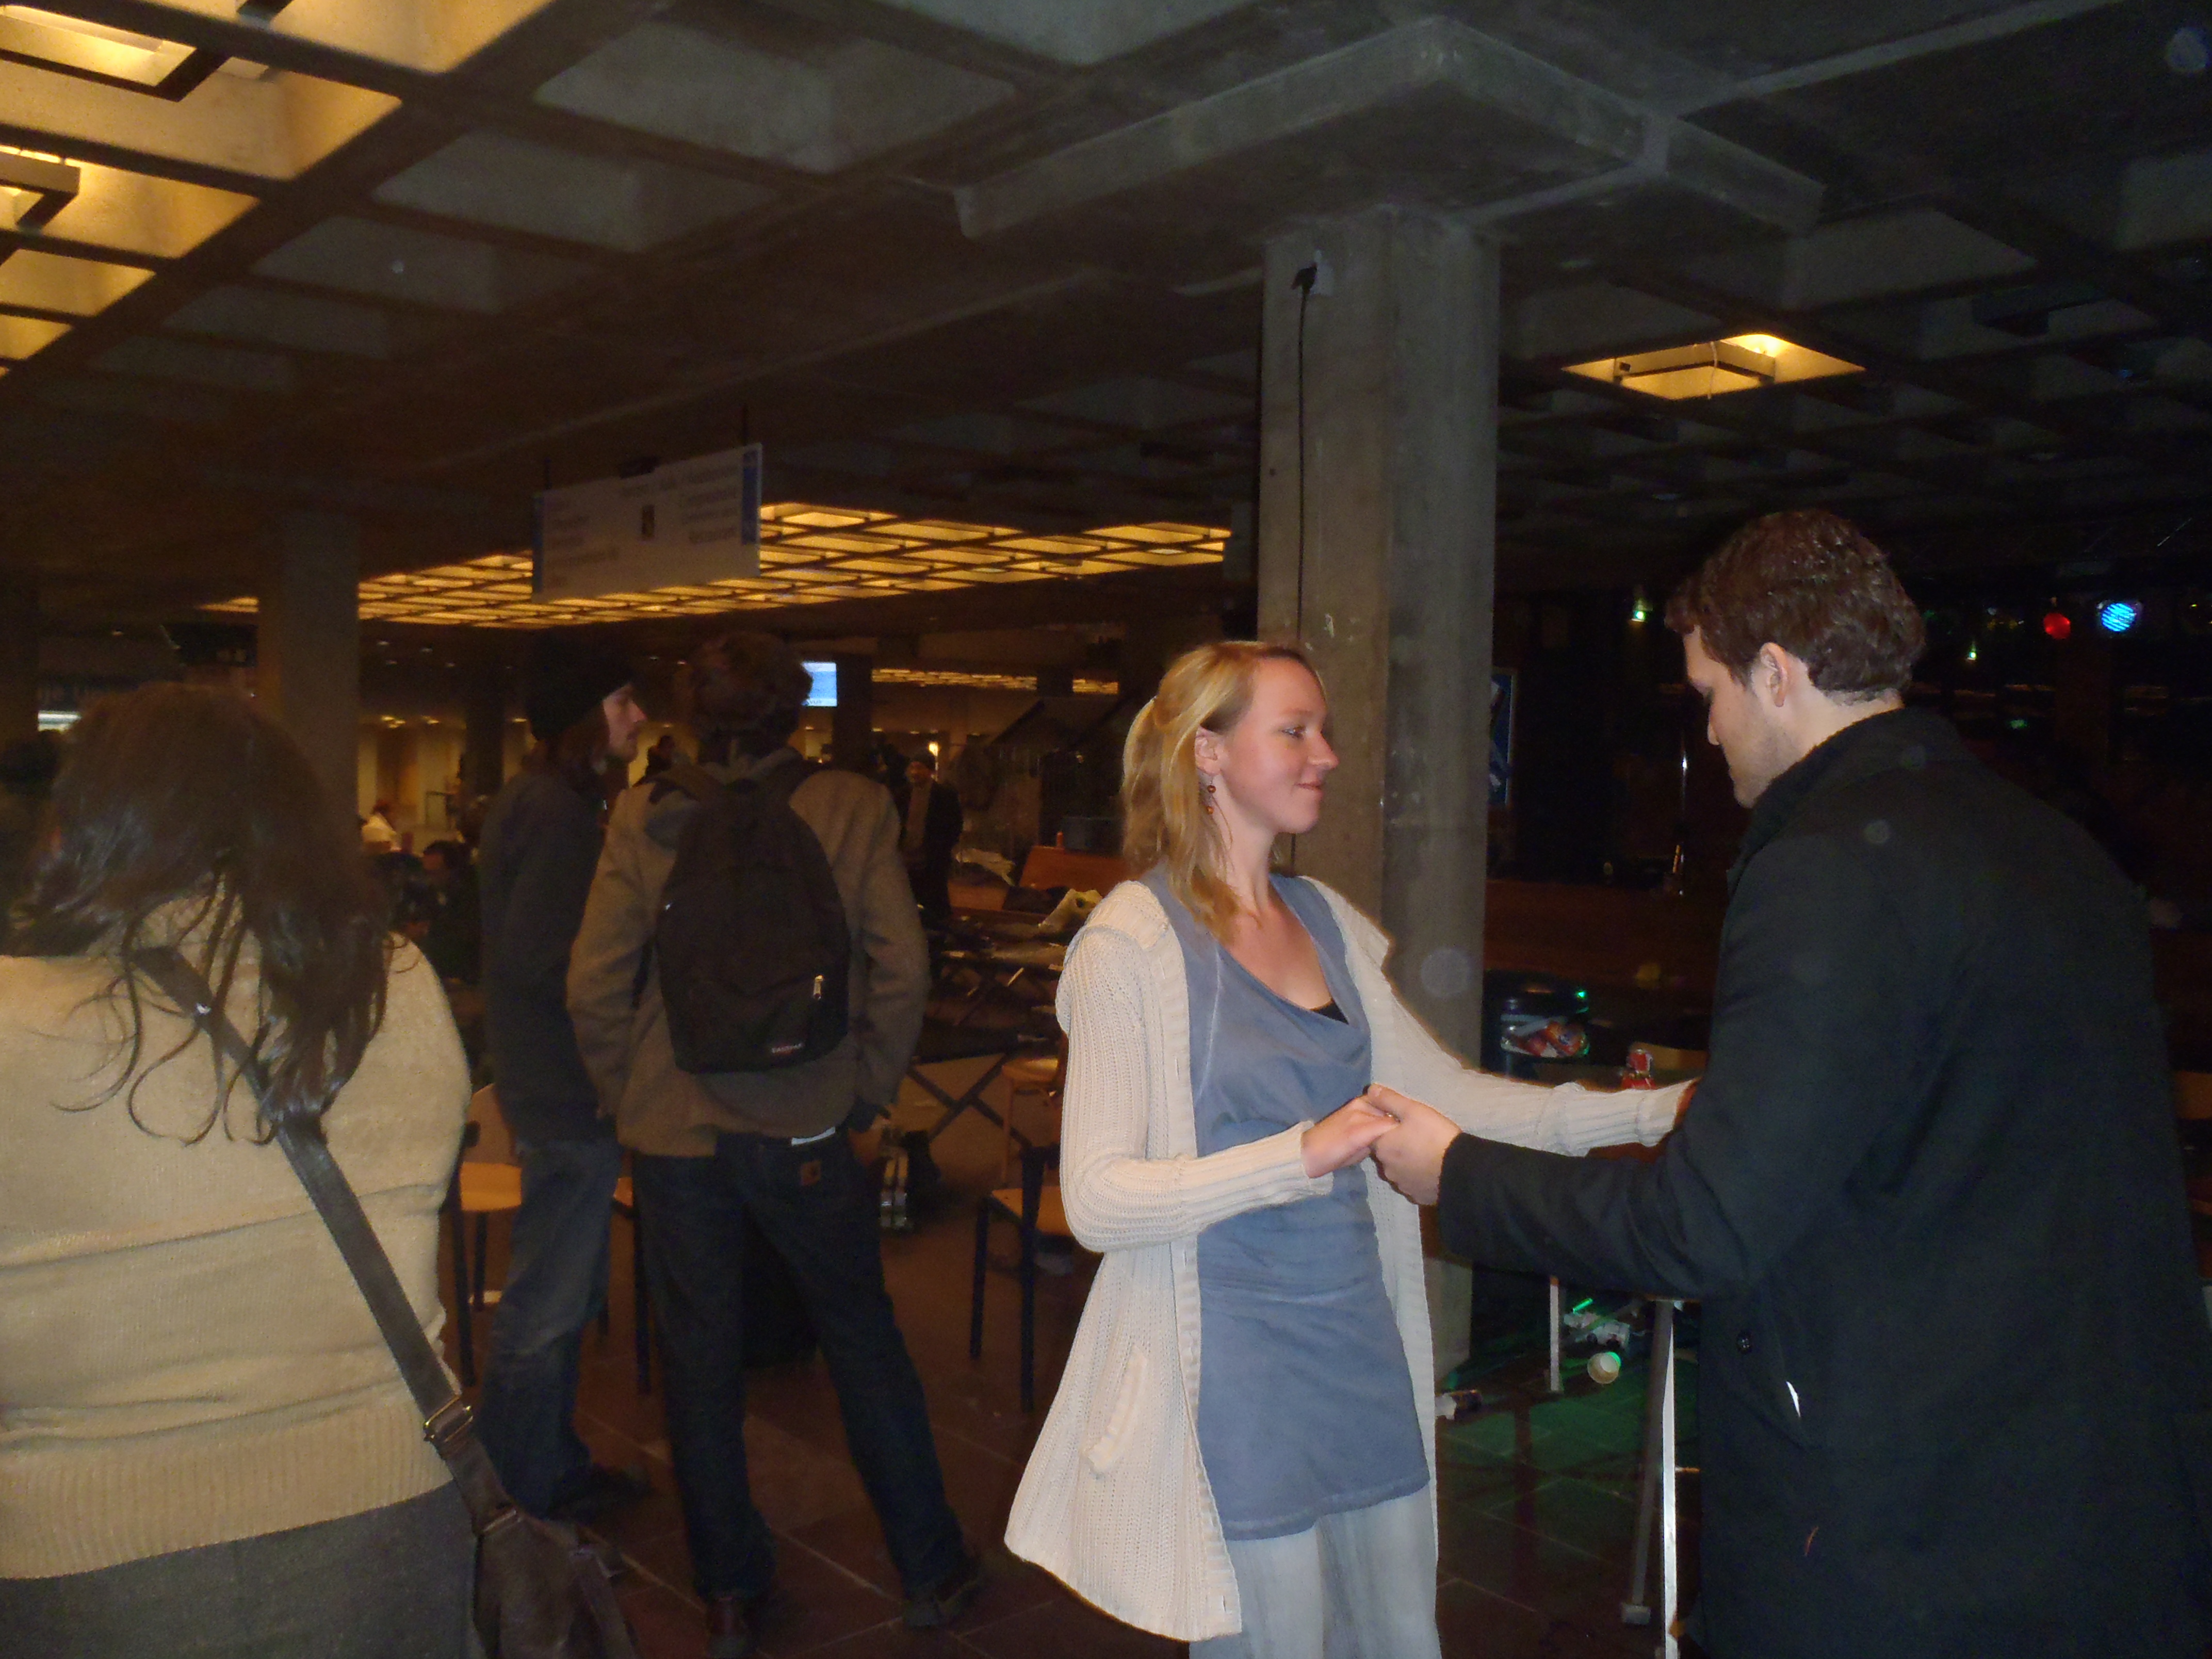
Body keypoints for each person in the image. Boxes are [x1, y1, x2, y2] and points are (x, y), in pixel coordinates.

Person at [1370, 509, 2212, 1659]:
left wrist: (1455, 1174)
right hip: (2090, 1491)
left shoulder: (1827, 867)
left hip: (1910, 1528)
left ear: (1775, 674)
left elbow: (1701, 1228)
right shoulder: (2049, 848)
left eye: (1709, 692)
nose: (1709, 728)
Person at [1003, 641, 1687, 1655]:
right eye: (1294, 731)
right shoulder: (1129, 942)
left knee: (1396, 1634)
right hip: (1232, 1362)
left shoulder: (1320, 918)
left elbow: (1453, 1099)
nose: (1325, 753)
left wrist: (1658, 1113)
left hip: (1361, 1344)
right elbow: (1099, 1200)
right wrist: (1299, 1155)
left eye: (1322, 731)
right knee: (1273, 1637)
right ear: (1208, 753)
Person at [0, 684, 473, 1654]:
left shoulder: (20, 1020)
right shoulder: (394, 984)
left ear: (87, 825)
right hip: (388, 1519)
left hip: (96, 1554)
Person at [567, 629, 974, 1659]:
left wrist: (630, 1096)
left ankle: (729, 1593)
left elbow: (594, 979)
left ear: (691, 715)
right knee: (860, 1335)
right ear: (795, 711)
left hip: (675, 1125)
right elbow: (902, 965)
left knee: (698, 1358)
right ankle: (930, 1567)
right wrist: (865, 1088)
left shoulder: (644, 812)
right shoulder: (851, 806)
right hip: (805, 1114)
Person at [473, 640, 648, 1520]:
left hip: (544, 1077)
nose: (638, 717)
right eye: (621, 702)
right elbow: (547, 959)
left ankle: (545, 1463)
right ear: (584, 717)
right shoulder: (557, 814)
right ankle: (519, 1489)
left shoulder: (536, 800)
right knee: (547, 1301)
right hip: (566, 1084)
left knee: (562, 1292)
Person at [898, 752, 964, 922]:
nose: (915, 772)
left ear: (930, 771)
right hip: (906, 858)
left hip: (932, 858)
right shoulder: (903, 794)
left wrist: (943, 848)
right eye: (913, 768)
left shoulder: (944, 795)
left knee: (935, 901)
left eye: (919, 768)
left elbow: (954, 825)